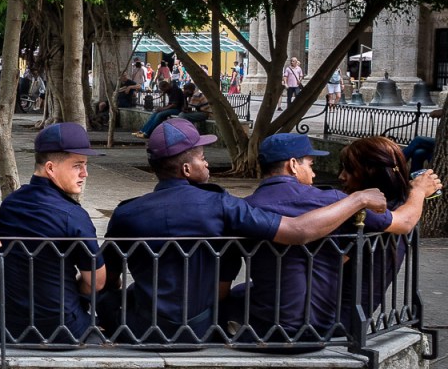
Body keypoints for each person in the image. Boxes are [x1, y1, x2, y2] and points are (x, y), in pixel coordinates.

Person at [102, 118, 386, 341]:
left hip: (141, 328)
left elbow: (106, 280)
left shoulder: (127, 212)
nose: (207, 161)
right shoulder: (222, 205)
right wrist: (358, 199)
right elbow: (298, 231)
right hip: (199, 330)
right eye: (202, 157)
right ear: (186, 169)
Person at [231, 134, 439, 337]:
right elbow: (403, 222)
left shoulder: (245, 206)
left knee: (243, 293)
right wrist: (418, 192)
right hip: (329, 320)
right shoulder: (333, 201)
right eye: (311, 165)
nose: (314, 175)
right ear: (293, 165)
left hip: (295, 317)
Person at [0, 123, 106, 342]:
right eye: (77, 165)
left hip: (9, 326)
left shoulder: (10, 204)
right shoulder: (72, 215)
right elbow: (97, 281)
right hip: (63, 329)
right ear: (50, 168)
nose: (85, 173)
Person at [338, 136, 437, 326]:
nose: (341, 176)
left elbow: (326, 262)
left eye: (349, 170)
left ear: (371, 172)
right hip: (349, 316)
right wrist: (418, 192)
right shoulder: (400, 205)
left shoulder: (366, 215)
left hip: (334, 319)